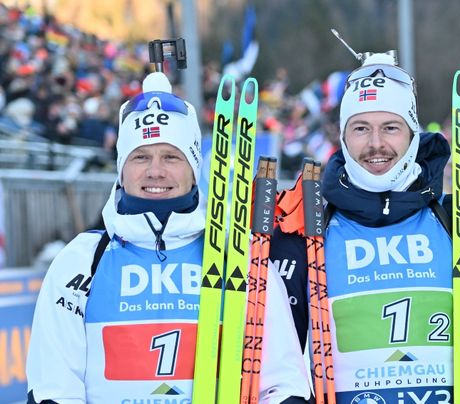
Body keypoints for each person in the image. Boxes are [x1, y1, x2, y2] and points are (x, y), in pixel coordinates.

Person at [25, 72, 310, 403]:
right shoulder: (83, 259)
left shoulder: (239, 255)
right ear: (121, 168)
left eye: (171, 157)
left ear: (193, 168)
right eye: (140, 156)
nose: (155, 171)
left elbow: (282, 383)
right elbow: (55, 385)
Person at [269, 51, 460, 403]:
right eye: (361, 128)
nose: (376, 144)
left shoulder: (458, 224)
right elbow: (274, 368)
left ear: (412, 135)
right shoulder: (307, 232)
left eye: (390, 127)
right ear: (343, 137)